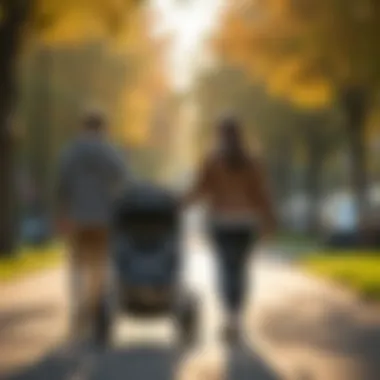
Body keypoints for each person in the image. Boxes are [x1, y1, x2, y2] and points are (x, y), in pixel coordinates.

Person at [183, 115, 276, 342]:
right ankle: (236, 317)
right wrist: (269, 220)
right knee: (240, 270)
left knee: (225, 269)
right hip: (245, 223)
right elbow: (261, 194)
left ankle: (229, 316)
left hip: (221, 222)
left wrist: (178, 203)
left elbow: (200, 189)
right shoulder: (252, 161)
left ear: (219, 135)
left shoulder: (213, 160)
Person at [56, 109, 130, 340]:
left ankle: (79, 309)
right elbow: (122, 177)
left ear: (83, 126)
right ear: (103, 128)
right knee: (99, 265)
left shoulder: (71, 151)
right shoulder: (108, 151)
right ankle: (95, 305)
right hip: (102, 218)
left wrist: (61, 213)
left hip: (78, 217)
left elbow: (61, 184)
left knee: (77, 265)